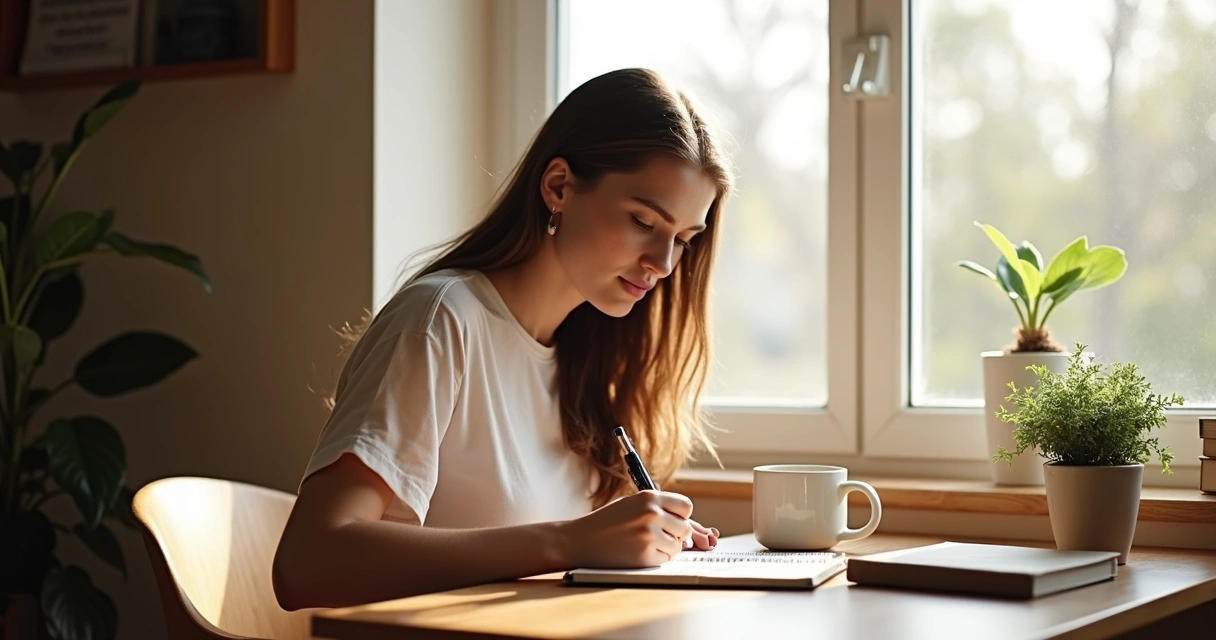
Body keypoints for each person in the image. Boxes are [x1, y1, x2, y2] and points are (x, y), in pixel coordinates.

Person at [273, 67, 735, 611]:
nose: (662, 264)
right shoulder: (441, 321)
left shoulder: (590, 359)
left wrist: (641, 540)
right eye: (642, 221)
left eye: (682, 239)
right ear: (559, 186)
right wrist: (571, 541)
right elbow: (309, 563)